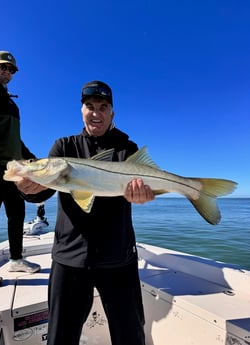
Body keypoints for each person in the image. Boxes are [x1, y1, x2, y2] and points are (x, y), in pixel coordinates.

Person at [16, 80, 155, 345]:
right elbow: (43, 191)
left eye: (103, 107)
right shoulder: (63, 148)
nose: (96, 113)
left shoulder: (127, 149)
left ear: (112, 113)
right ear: (81, 111)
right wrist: (27, 189)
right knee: (60, 337)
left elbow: (142, 189)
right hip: (70, 259)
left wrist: (145, 194)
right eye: (90, 106)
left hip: (119, 258)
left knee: (130, 336)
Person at [0, 51, 41, 287]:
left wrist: (31, 158)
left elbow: (14, 139)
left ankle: (16, 259)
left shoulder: (11, 101)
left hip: (12, 170)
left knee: (17, 215)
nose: (7, 72)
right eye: (4, 67)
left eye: (11, 69)